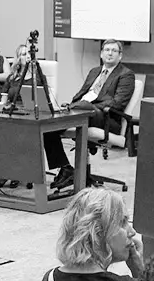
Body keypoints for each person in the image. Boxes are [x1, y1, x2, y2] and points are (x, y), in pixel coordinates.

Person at [44, 40, 135, 195]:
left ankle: (72, 111)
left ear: (120, 56)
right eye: (107, 49)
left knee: (83, 106)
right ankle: (65, 168)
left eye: (114, 50)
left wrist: (89, 106)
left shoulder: (126, 74)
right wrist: (75, 105)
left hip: (107, 118)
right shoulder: (94, 71)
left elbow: (117, 103)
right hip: (83, 111)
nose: (110, 53)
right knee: (47, 124)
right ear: (101, 53)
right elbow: (80, 94)